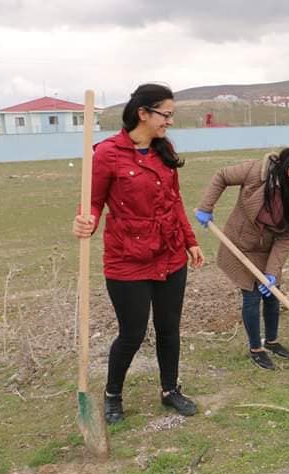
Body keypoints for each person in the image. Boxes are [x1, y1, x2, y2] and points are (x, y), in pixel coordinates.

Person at [72, 84, 204, 424]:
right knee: (132, 332)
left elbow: (174, 200)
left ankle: (170, 390)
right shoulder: (108, 153)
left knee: (169, 328)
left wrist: (190, 241)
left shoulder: (164, 150)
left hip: (170, 253)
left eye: (172, 115)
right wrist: (86, 219)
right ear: (143, 113)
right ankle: (112, 394)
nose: (170, 122)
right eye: (166, 114)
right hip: (127, 258)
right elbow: (94, 200)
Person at [194, 147, 289, 370]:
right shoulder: (256, 172)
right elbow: (222, 176)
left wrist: (271, 272)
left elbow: (286, 237)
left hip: (267, 251)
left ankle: (271, 341)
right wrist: (206, 207)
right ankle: (256, 349)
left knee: (273, 294)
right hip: (239, 246)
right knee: (252, 297)